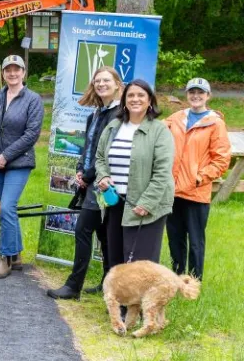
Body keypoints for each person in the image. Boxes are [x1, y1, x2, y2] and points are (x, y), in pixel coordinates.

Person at [48, 67, 122, 300]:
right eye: (97, 81)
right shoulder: (95, 114)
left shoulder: (120, 115)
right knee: (103, 233)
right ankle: (109, 283)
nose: (101, 84)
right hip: (91, 181)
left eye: (106, 80)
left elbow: (110, 153)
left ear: (117, 84)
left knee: (83, 230)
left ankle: (73, 286)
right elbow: (87, 148)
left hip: (105, 183)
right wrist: (80, 170)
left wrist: (89, 175)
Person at [96, 79, 174, 269]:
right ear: (124, 100)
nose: (135, 99)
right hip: (116, 203)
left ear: (150, 101)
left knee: (140, 267)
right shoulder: (114, 126)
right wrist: (103, 176)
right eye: (130, 95)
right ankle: (121, 300)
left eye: (141, 95)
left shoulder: (159, 130)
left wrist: (146, 203)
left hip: (146, 208)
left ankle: (142, 300)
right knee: (116, 262)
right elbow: (99, 157)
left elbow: (163, 172)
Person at [0, 55, 44, 279]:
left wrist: (6, 156)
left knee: (7, 207)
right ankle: (16, 256)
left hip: (19, 162)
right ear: (3, 73)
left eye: (17, 69)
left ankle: (5, 259)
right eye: (8, 69)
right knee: (7, 208)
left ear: (23, 73)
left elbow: (31, 134)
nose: (12, 73)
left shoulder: (33, 99)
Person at [165, 78, 231, 281]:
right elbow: (156, 135)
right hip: (172, 191)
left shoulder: (215, 123)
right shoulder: (175, 117)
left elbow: (221, 159)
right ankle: (176, 279)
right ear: (187, 95)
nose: (196, 96)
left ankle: (193, 282)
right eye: (192, 92)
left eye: (200, 92)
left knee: (195, 241)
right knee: (175, 239)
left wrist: (199, 178)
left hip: (196, 192)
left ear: (208, 96)